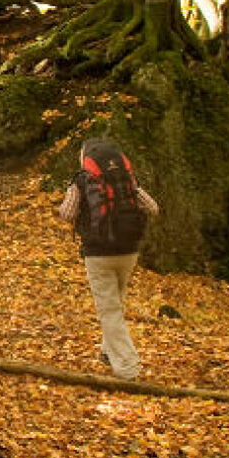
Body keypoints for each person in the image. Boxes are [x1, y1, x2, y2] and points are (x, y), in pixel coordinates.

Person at [57, 137, 160, 380]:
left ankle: (127, 367)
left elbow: (67, 213)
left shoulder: (82, 180)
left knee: (109, 310)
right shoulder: (128, 180)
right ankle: (108, 352)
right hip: (129, 251)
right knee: (116, 303)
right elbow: (153, 208)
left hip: (99, 253)